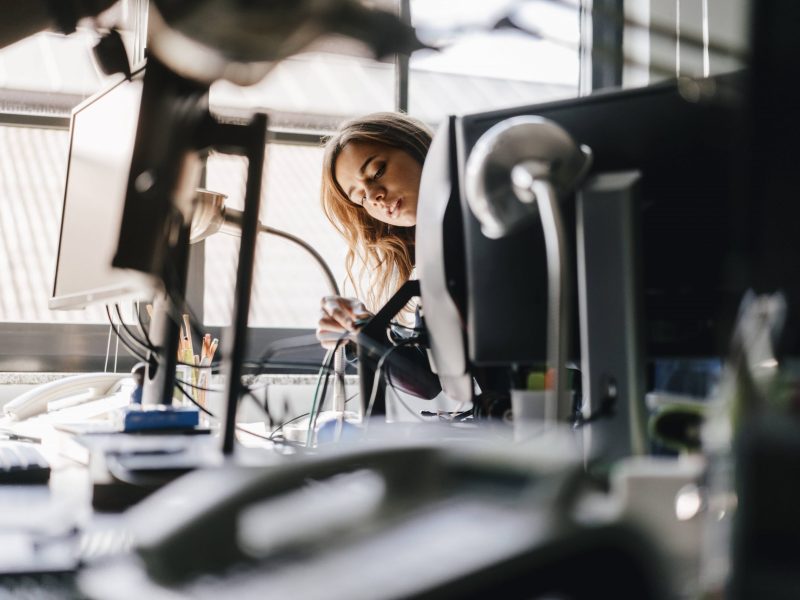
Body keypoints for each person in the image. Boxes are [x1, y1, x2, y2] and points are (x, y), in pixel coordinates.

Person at [316, 112, 441, 399]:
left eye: (377, 172)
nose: (374, 195)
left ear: (419, 149)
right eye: (359, 197)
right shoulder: (430, 259)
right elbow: (428, 382)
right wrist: (361, 335)